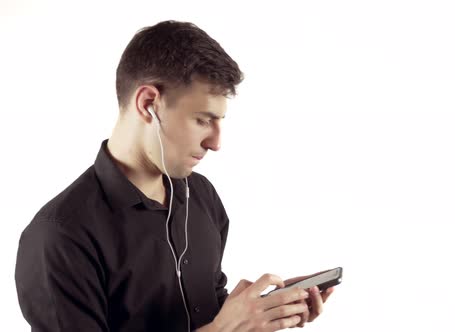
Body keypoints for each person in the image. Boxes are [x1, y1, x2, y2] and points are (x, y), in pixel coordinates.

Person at [15, 20, 334, 332]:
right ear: (148, 103)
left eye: (219, 121)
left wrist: (260, 315)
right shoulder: (59, 237)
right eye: (202, 120)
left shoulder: (202, 196)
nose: (216, 142)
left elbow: (207, 311)